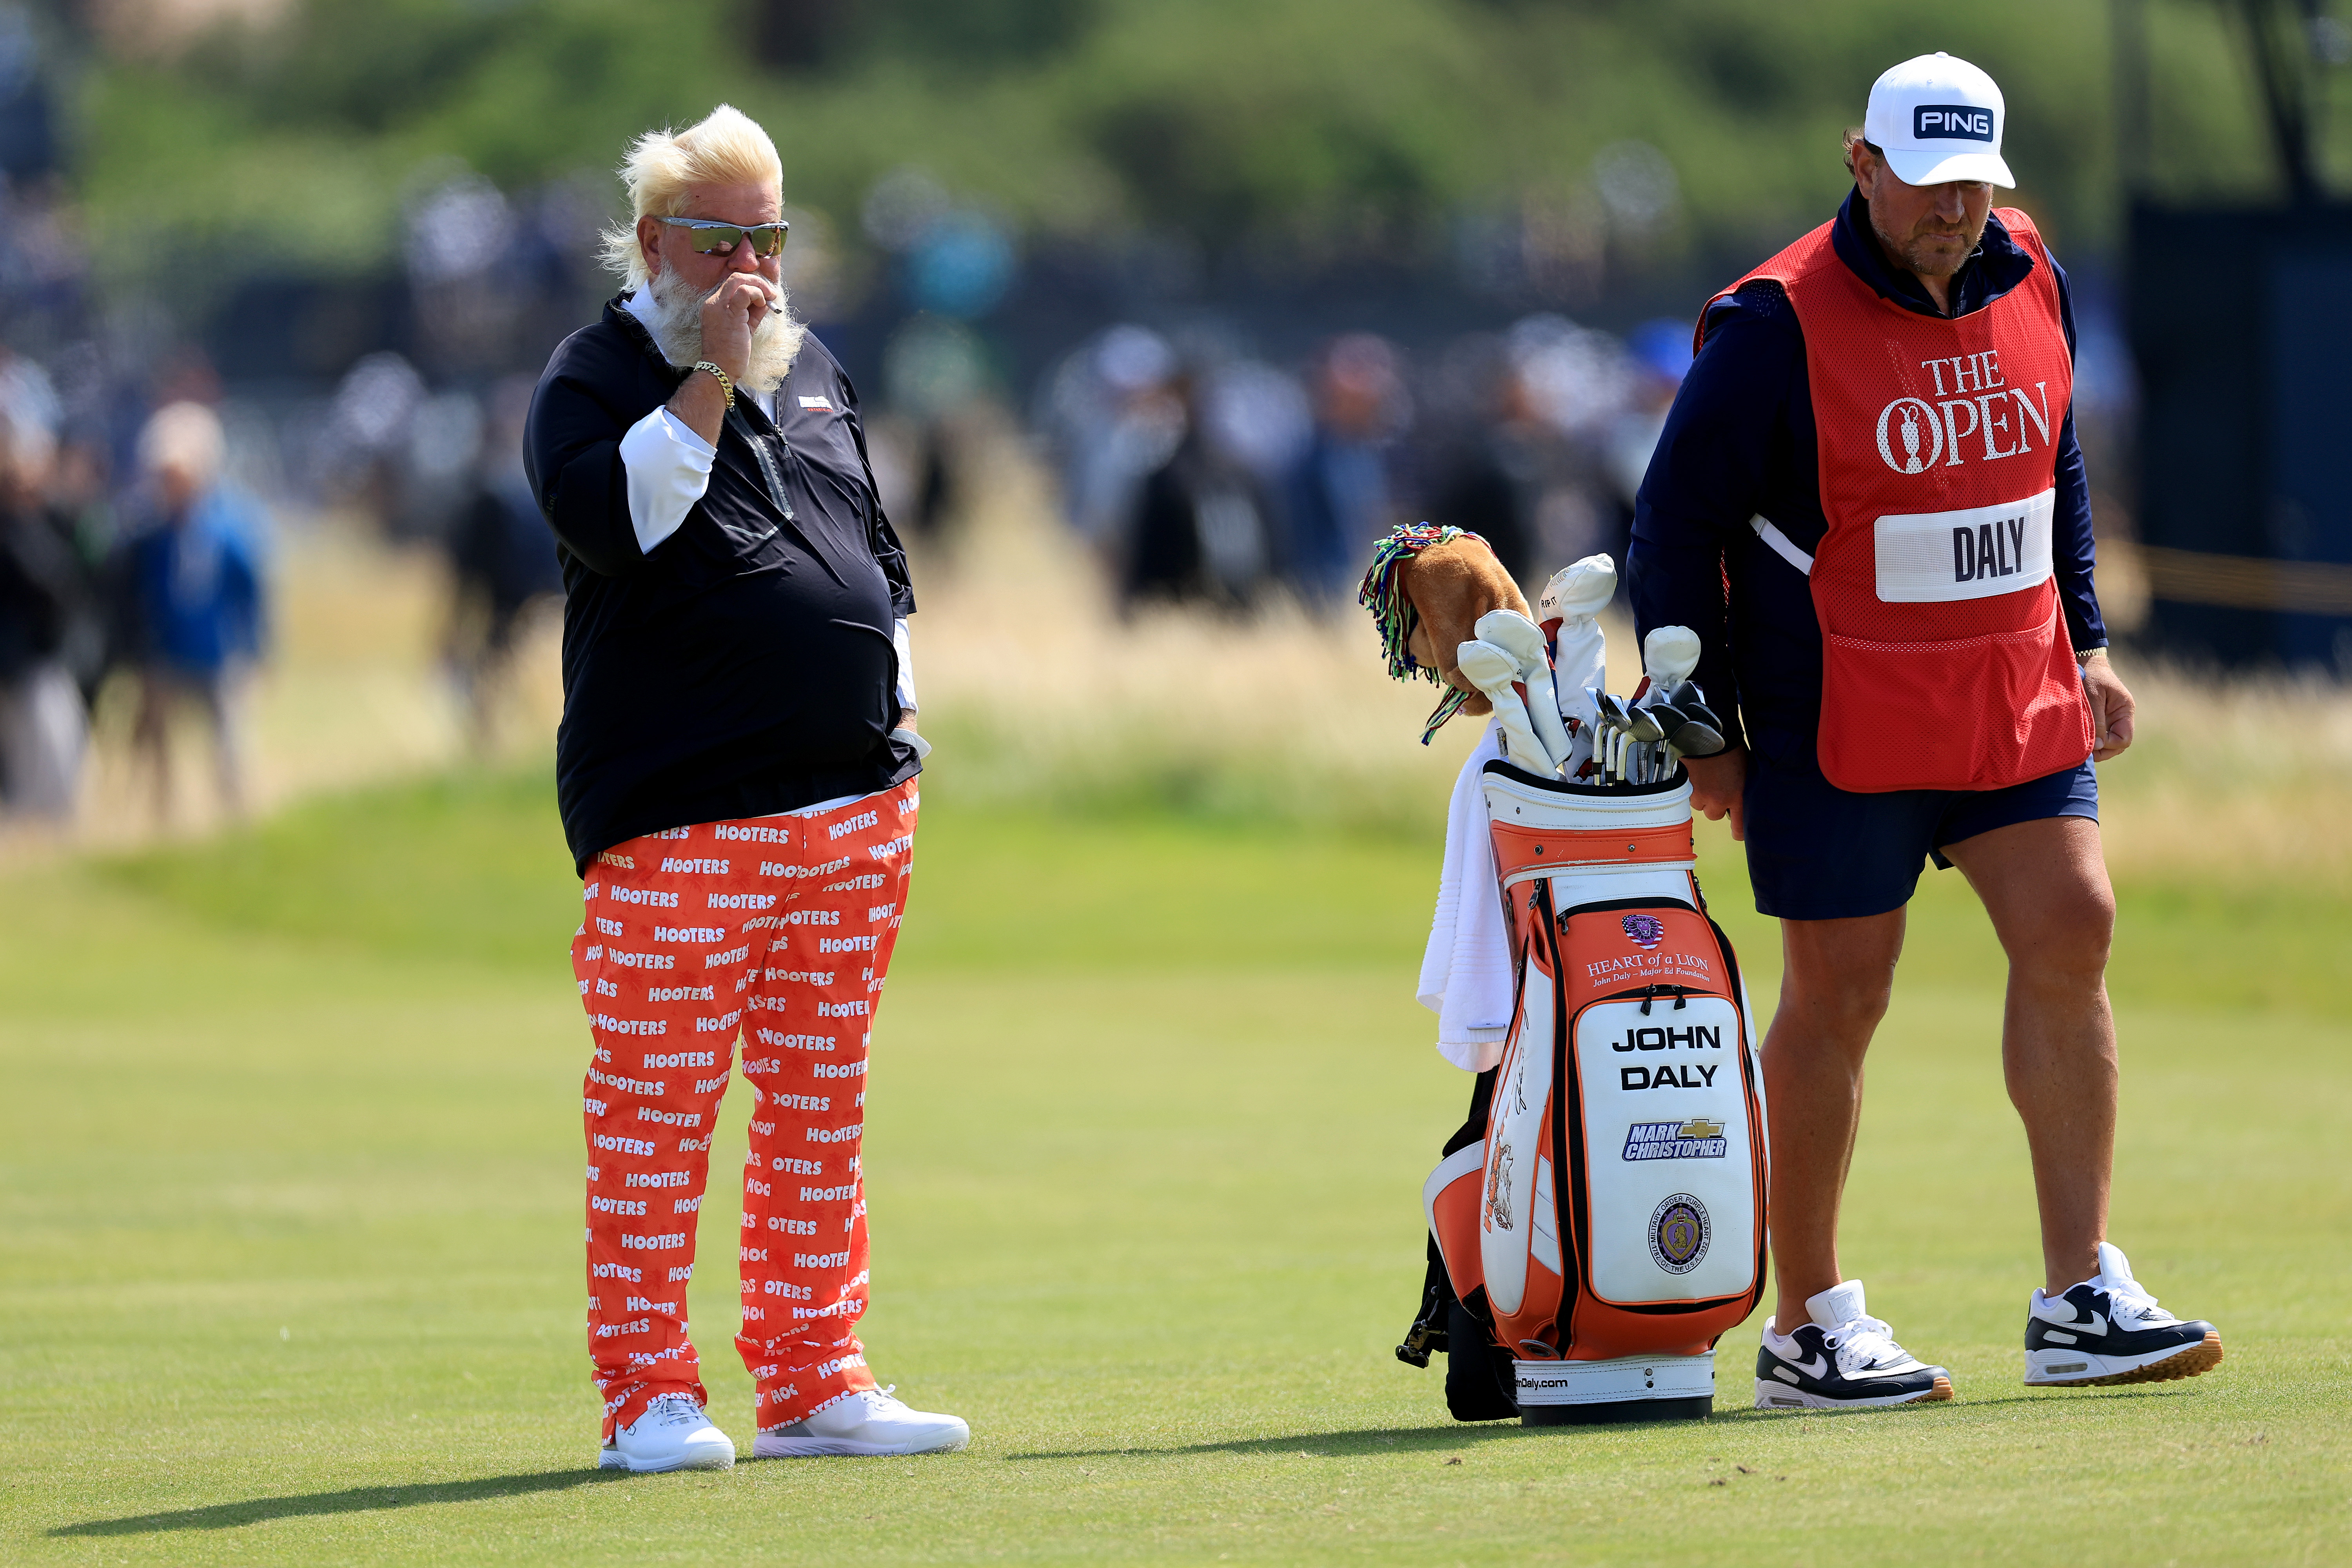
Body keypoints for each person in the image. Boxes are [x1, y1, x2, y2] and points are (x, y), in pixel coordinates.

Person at [1628, 53, 2222, 1411]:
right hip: (1834, 707)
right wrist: (1703, 729)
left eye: (1973, 185)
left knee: (2075, 920)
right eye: (1925, 182)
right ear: (1862, 162)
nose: (1951, 211)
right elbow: (1673, 529)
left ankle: (2079, 1294)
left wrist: (2089, 643)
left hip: (2013, 685)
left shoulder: (2032, 271)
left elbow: (2052, 460)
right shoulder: (1773, 322)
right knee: (1843, 992)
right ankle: (1810, 1325)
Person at [525, 104, 966, 1474]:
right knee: (656, 1118)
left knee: (818, 1107)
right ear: (656, 244)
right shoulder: (592, 378)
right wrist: (710, 376)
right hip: (680, 823)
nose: (752, 274)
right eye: (721, 243)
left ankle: (812, 1373)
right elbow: (620, 521)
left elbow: (878, 553)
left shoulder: (816, 364)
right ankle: (648, 1396)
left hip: (852, 814)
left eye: (770, 239)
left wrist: (893, 701)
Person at [118, 401, 266, 822]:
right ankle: (159, 817)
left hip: (217, 653)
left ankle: (234, 817)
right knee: (154, 745)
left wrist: (255, 649)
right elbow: (137, 594)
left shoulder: (228, 527)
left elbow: (250, 592)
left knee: (228, 744)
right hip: (166, 653)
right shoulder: (150, 533)